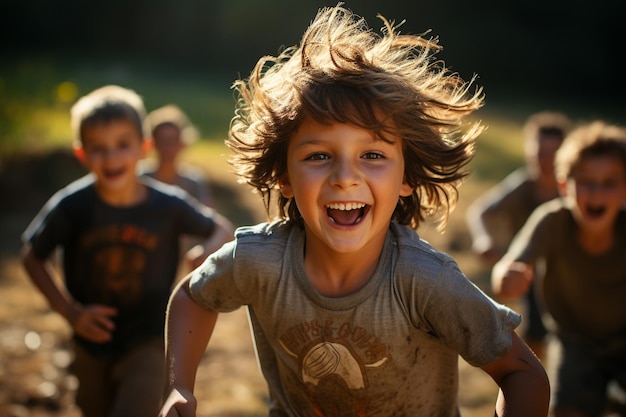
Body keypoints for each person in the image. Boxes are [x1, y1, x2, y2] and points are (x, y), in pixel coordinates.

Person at [159, 6, 549, 417]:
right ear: (284, 176)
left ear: (406, 176)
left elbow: (522, 372)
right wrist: (178, 386)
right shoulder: (259, 261)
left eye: (373, 154)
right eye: (320, 155)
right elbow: (193, 295)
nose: (345, 177)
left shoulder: (424, 281)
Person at [20, 85, 234, 417]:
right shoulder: (72, 205)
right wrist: (70, 312)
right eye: (98, 148)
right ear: (81, 154)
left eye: (122, 145)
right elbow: (32, 255)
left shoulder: (167, 204)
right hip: (90, 339)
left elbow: (222, 227)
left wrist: (203, 251)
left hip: (150, 336)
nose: (111, 157)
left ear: (143, 147)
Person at [492, 121, 626, 417]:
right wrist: (508, 278)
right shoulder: (552, 221)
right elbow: (510, 265)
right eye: (586, 181)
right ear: (564, 185)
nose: (596, 192)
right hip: (574, 343)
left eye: (609, 182)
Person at [466, 111, 571, 359]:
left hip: (569, 270)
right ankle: (537, 378)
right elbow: (480, 211)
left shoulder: (573, 190)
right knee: (536, 330)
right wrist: (484, 239)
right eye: (538, 154)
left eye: (551, 155)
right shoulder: (522, 186)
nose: (543, 161)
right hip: (531, 273)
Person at [141, 104, 214, 207]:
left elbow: (206, 216)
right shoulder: (141, 178)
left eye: (173, 141)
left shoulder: (194, 181)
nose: (167, 148)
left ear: (182, 143)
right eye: (162, 141)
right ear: (153, 143)